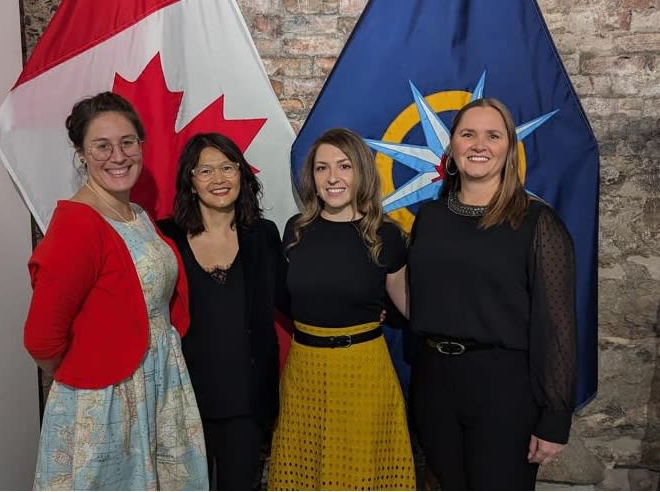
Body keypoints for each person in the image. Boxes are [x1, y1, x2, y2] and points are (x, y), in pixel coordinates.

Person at [23, 92, 208, 490]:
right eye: (102, 146)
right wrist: (89, 376)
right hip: (109, 399)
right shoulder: (78, 224)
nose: (118, 156)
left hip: (159, 383)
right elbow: (41, 338)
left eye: (128, 142)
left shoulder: (136, 214)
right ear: (82, 154)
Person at [406, 97, 577, 490]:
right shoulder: (430, 218)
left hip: (505, 389)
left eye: (492, 135)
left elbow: (558, 327)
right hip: (434, 384)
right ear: (452, 149)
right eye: (468, 134)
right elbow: (421, 298)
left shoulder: (536, 221)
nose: (479, 145)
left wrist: (555, 417)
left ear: (509, 149)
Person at [268, 128, 416, 490]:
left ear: (361, 172)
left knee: (362, 474)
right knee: (302, 473)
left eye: (343, 166)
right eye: (322, 168)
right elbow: (288, 300)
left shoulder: (386, 235)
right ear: (312, 177)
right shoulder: (296, 230)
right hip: (305, 371)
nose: (332, 178)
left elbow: (413, 309)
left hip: (363, 372)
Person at [157, 133, 289, 490]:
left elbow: (291, 300)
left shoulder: (262, 235)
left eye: (228, 168)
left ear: (242, 175)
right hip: (181, 400)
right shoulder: (164, 236)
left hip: (246, 403)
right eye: (206, 170)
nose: (219, 179)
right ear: (190, 181)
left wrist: (353, 309)